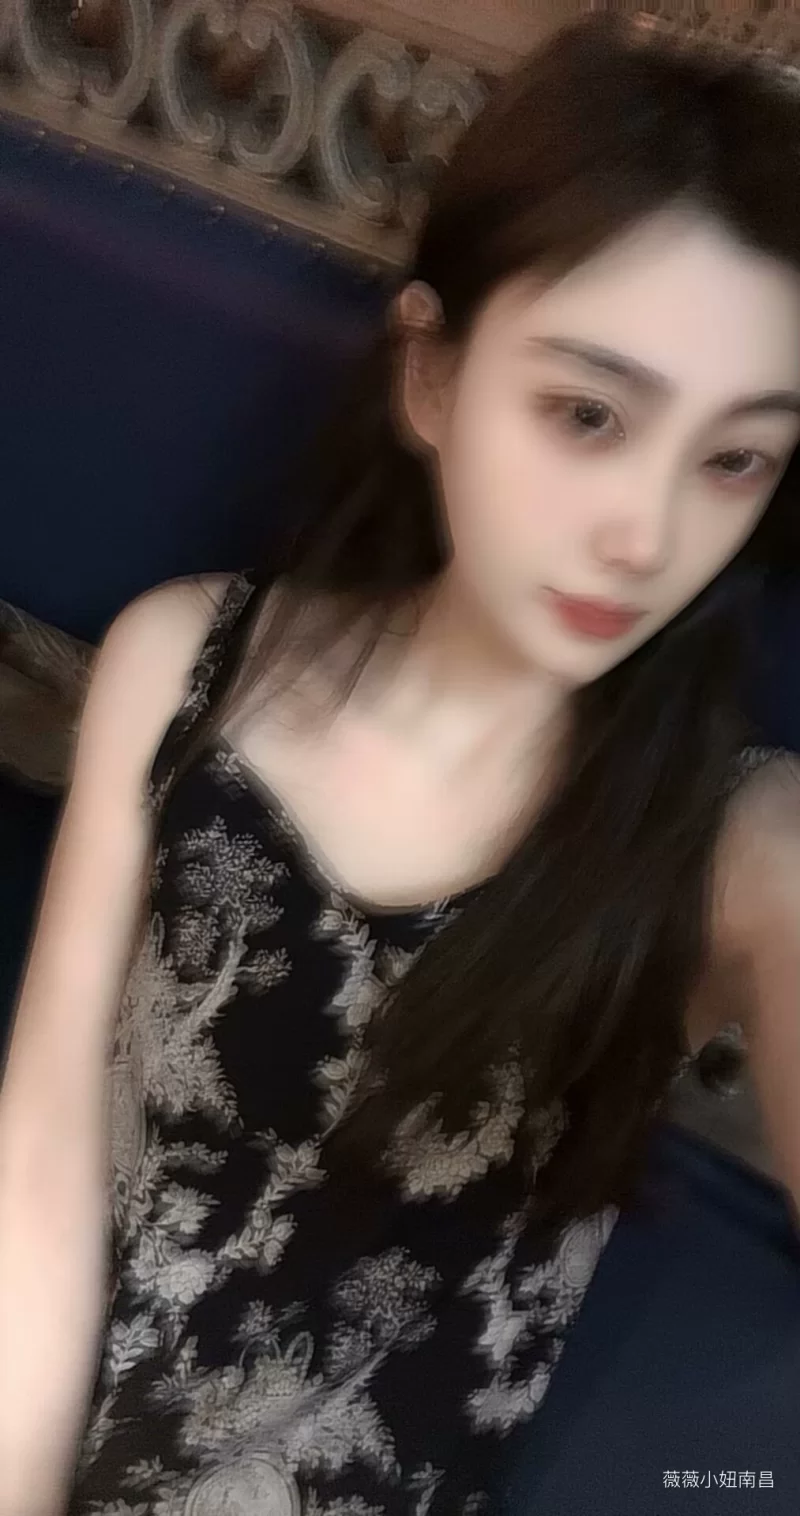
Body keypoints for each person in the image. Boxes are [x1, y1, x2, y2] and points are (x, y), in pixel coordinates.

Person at [2, 14, 800, 1515]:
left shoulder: (739, 849)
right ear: (431, 376)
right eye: (587, 414)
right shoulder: (186, 670)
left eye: (735, 457)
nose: (649, 533)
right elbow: (42, 1155)